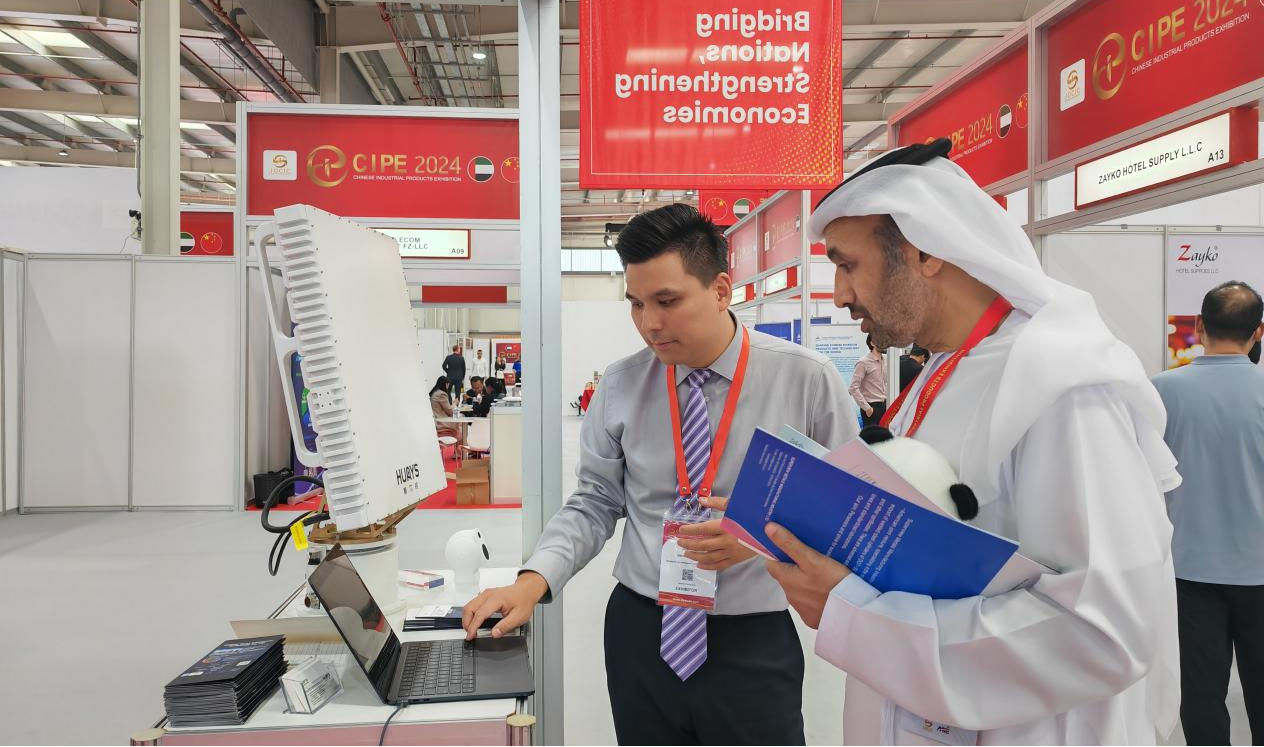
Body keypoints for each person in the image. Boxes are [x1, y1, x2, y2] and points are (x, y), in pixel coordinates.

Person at [762, 139, 1181, 745]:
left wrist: (856, 618)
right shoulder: (941, 370)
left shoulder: (1060, 383)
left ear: (924, 251)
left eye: (847, 265)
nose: (841, 295)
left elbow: (1104, 629)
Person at [462, 203, 858, 746]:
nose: (649, 323)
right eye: (636, 303)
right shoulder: (621, 385)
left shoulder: (805, 380)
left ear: (721, 290)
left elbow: (844, 505)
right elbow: (595, 502)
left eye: (667, 301)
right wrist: (533, 581)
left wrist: (760, 534)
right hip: (642, 632)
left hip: (751, 636)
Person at [1151, 281, 1264, 746]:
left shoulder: (1159, 392)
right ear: (1258, 332)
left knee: (1199, 697)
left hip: (1188, 571)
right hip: (1260, 571)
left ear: (1198, 326)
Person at [849, 334, 887, 426]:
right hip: (872, 408)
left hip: (885, 406)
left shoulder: (885, 360)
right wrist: (867, 408)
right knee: (872, 435)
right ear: (872, 343)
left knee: (885, 435)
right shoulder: (863, 362)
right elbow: (853, 388)